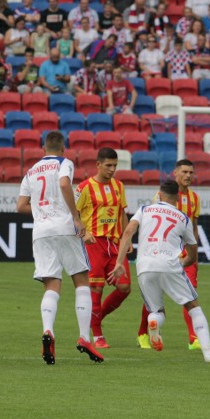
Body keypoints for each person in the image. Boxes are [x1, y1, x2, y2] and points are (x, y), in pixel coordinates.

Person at [108, 181, 210, 362]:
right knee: (194, 307)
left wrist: (120, 262)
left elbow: (129, 230)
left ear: (158, 195)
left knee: (156, 310)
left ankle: (153, 323)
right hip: (169, 264)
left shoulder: (145, 209)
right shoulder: (183, 217)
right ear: (177, 199)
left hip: (144, 265)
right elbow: (192, 251)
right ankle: (208, 354)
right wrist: (185, 262)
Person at [17, 131, 103, 365]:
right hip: (65, 227)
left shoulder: (31, 171)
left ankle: (48, 330)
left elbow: (20, 206)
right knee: (81, 280)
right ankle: (85, 337)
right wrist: (75, 217)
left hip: (41, 231)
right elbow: (64, 183)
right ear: (63, 148)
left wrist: (42, 211)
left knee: (52, 284)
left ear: (43, 148)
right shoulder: (65, 163)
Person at [135, 160, 203, 349]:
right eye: (184, 172)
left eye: (191, 172)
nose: (188, 176)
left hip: (184, 253)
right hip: (164, 253)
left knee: (190, 293)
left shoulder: (195, 198)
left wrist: (193, 251)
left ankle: (193, 338)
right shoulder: (160, 196)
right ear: (175, 173)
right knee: (154, 294)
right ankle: (143, 333)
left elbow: (194, 227)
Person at [75, 148, 131, 349]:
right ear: (98, 165)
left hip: (115, 244)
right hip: (94, 244)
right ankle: (98, 335)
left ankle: (96, 317)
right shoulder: (85, 188)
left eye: (115, 165)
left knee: (124, 287)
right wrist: (84, 232)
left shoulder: (119, 186)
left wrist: (127, 237)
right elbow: (73, 214)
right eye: (108, 165)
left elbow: (122, 213)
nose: (112, 169)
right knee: (96, 289)